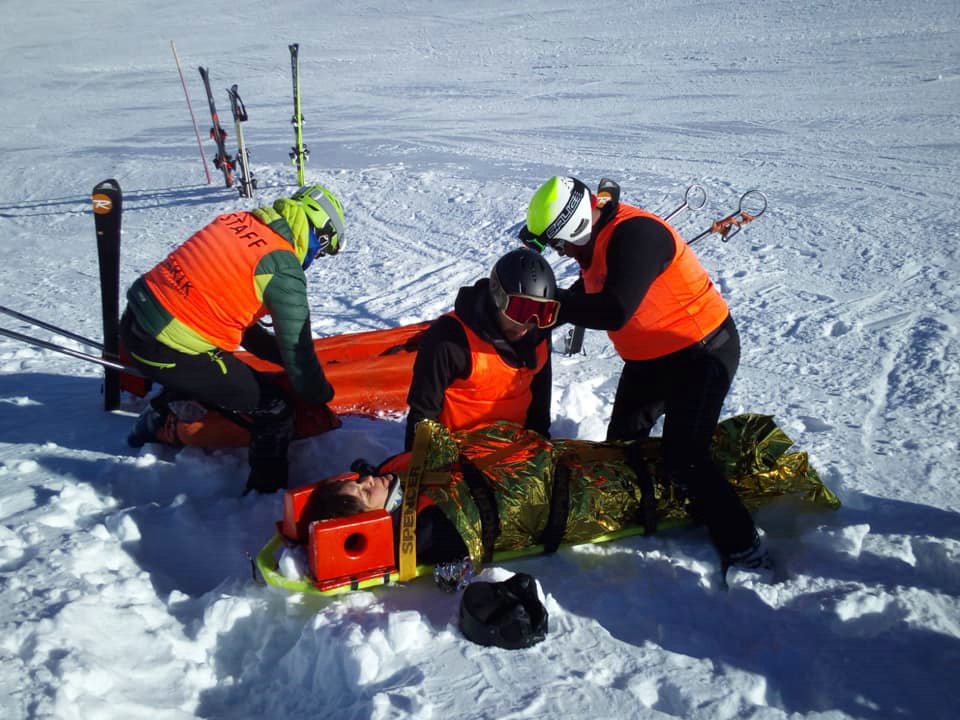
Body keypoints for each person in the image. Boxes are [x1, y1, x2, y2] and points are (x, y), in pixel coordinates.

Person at [517, 175, 764, 572]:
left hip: (701, 353)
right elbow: (587, 298)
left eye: (558, 242)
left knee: (684, 453)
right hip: (650, 360)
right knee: (622, 448)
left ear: (576, 226)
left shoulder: (637, 235)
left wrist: (551, 303)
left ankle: (743, 545)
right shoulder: (594, 240)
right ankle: (651, 506)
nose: (560, 253)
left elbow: (614, 309)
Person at [297, 416, 838, 575]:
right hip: (564, 495)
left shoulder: (399, 477)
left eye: (355, 476)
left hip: (559, 462)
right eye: (362, 490)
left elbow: (442, 446)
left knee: (645, 455)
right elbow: (459, 539)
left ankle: (747, 455)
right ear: (370, 523)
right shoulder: (424, 532)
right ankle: (763, 473)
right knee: (654, 480)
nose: (367, 479)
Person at [121, 184, 346, 495]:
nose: (318, 257)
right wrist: (317, 392)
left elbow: (236, 319)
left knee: (214, 371)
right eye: (323, 249)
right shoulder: (283, 268)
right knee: (275, 409)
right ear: (317, 232)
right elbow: (299, 351)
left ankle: (161, 413)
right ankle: (264, 494)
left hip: (136, 322)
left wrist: (279, 358)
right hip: (167, 347)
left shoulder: (237, 222)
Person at [404, 248, 558, 451]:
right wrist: (421, 471)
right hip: (457, 459)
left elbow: (539, 410)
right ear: (498, 296)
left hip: (514, 455)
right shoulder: (450, 340)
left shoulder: (538, 338)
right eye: (520, 310)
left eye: (542, 312)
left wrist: (541, 454)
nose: (528, 324)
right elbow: (422, 417)